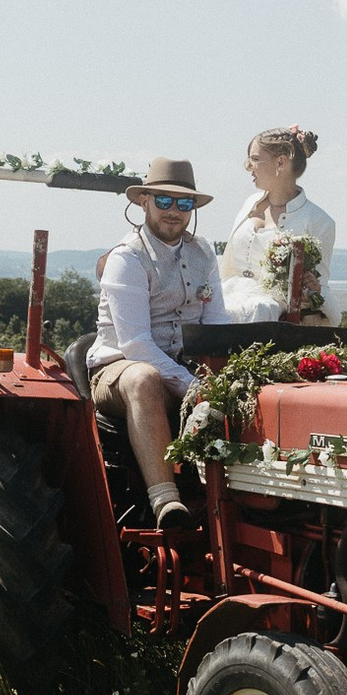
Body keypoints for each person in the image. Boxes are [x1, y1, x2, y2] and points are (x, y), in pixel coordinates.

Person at [88, 157, 231, 528]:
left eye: (184, 204)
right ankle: (167, 502)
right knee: (144, 378)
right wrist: (194, 386)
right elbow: (135, 344)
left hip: (181, 368)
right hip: (118, 370)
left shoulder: (203, 253)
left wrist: (229, 378)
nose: (174, 212)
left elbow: (217, 325)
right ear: (144, 201)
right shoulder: (128, 257)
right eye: (164, 201)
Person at [219, 125, 336, 325]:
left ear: (281, 162)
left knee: (257, 308)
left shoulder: (319, 221)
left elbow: (318, 287)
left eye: (255, 159)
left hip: (270, 311)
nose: (248, 167)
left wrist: (311, 290)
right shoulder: (249, 204)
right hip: (229, 292)